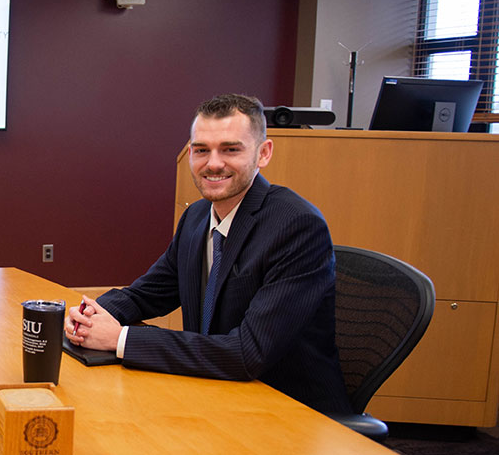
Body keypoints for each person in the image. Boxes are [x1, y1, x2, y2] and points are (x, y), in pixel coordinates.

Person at [64, 93, 352, 414]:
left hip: (289, 411)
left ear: (263, 154)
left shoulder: (297, 227)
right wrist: (89, 316)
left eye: (230, 149)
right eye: (201, 150)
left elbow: (247, 353)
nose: (213, 163)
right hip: (215, 391)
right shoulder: (197, 217)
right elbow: (147, 294)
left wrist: (120, 339)